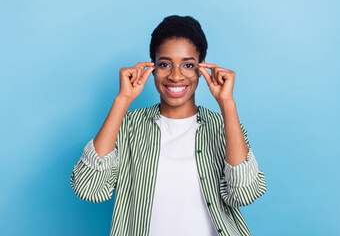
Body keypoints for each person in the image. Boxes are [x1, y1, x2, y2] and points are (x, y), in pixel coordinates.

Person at [70, 15, 266, 236]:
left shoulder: (222, 126)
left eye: (188, 65)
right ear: (152, 68)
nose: (175, 76)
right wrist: (122, 100)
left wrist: (227, 104)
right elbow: (89, 188)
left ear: (201, 70)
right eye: (165, 64)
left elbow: (244, 194)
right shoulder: (128, 127)